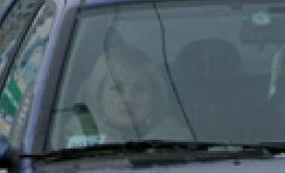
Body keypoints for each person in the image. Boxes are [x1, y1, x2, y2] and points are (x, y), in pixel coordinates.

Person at [57, 46, 192, 148]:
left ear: (155, 97)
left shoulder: (178, 141)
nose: (128, 99)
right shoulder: (74, 139)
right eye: (117, 89)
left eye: (139, 89)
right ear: (98, 97)